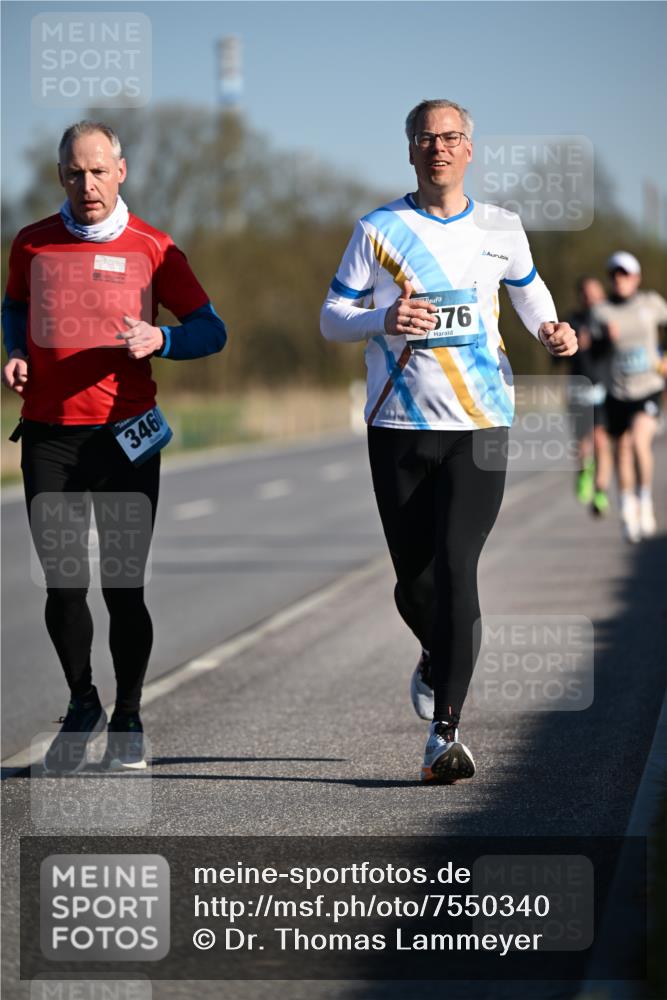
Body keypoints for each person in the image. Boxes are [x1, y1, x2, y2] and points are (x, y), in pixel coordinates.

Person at [320, 99, 576, 783]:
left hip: (481, 424)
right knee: (414, 580)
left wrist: (552, 329)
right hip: (398, 426)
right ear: (410, 150)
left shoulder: (501, 228)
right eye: (426, 138)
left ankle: (445, 733)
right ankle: (435, 656)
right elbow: (331, 317)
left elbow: (528, 293)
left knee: (458, 566)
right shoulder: (377, 229)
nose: (439, 147)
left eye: (451, 137)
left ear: (470, 149)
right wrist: (382, 315)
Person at [2, 121, 227, 774]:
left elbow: (212, 331)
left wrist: (163, 341)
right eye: (75, 172)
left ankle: (129, 714)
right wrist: (15, 350)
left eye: (99, 170)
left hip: (125, 438)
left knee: (122, 586)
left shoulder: (155, 249)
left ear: (121, 171)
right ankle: (82, 703)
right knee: (63, 584)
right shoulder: (32, 243)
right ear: (60, 177)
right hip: (49, 437)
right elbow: (12, 305)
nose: (87, 184)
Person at [593, 251, 667, 542]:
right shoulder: (601, 312)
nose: (619, 280)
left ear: (636, 278)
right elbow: (591, 353)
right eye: (615, 275)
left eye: (625, 274)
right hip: (616, 392)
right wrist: (604, 341)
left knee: (639, 441)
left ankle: (645, 501)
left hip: (647, 387)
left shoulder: (650, 303)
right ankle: (627, 509)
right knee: (621, 450)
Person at [567, 276, 613, 515]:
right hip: (578, 388)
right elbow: (556, 357)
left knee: (601, 441)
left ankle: (601, 491)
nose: (591, 297)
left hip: (602, 388)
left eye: (594, 292)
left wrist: (609, 339)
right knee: (583, 442)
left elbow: (615, 351)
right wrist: (575, 346)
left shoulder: (608, 320)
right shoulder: (572, 321)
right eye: (586, 293)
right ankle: (585, 471)